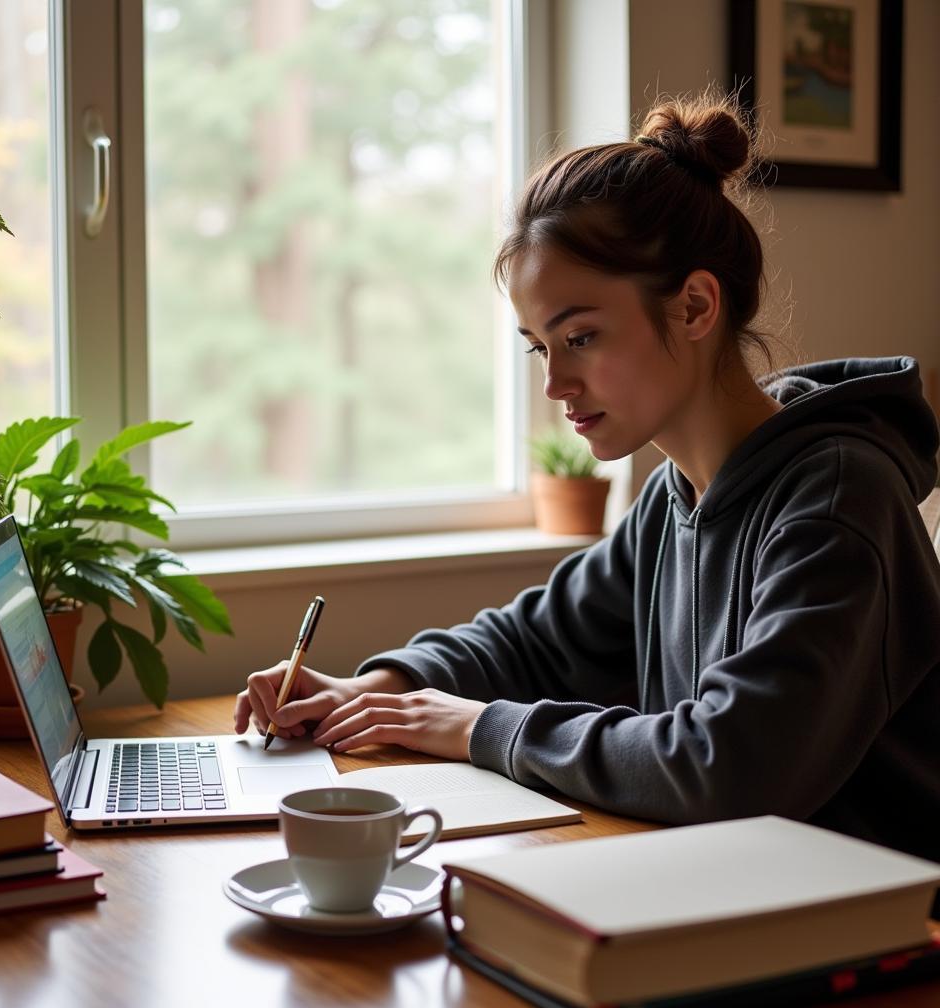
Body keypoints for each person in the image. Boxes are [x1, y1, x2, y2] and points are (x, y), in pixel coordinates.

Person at [234, 92, 940, 869]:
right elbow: (535, 637)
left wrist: (472, 726)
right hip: (733, 894)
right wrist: (377, 686)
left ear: (696, 306)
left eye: (581, 336)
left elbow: (730, 766)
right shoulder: (677, 496)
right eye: (542, 347)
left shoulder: (840, 499)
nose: (556, 384)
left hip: (875, 944)